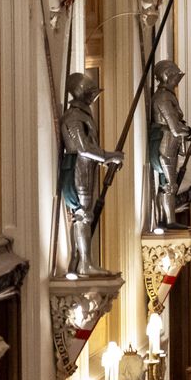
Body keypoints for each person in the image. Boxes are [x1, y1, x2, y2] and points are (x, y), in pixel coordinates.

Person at [60, 73, 124, 275]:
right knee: (83, 215)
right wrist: (109, 156)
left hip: (86, 168)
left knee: (83, 215)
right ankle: (84, 263)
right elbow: (83, 147)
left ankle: (79, 260)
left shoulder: (82, 115)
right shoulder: (74, 117)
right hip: (79, 168)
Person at [148, 60, 191, 230]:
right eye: (175, 76)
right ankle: (168, 221)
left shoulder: (168, 95)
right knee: (170, 185)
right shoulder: (163, 97)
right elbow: (175, 128)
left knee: (168, 183)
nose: (177, 80)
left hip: (171, 141)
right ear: (168, 76)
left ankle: (166, 219)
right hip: (166, 141)